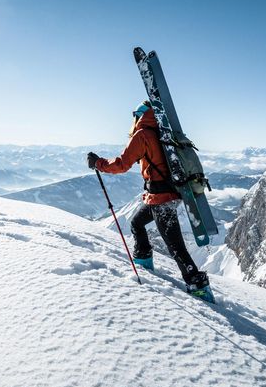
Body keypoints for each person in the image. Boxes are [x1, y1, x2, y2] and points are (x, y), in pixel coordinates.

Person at [87, 101, 214, 302]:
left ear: (140, 116)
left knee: (175, 247)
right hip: (167, 195)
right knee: (137, 223)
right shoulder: (164, 132)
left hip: (161, 198)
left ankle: (198, 285)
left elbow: (122, 164)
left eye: (136, 115)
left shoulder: (143, 134)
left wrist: (98, 163)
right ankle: (144, 261)